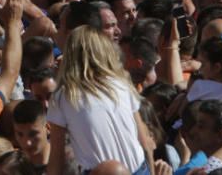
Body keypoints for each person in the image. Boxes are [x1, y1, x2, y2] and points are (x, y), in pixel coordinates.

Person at [47, 27, 149, 175]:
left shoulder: (63, 97)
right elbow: (143, 140)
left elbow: (56, 156)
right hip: (140, 169)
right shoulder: (121, 83)